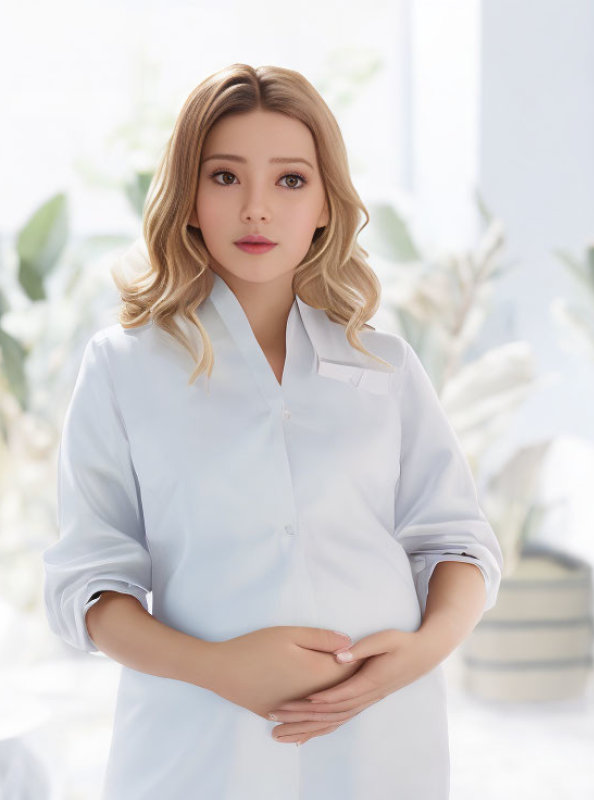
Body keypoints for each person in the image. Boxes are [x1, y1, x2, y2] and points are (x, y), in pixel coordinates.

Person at [43, 64, 501, 799]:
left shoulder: (383, 363)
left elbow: (459, 542)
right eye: (225, 177)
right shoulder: (122, 366)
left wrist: (421, 652)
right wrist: (220, 668)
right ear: (188, 197)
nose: (257, 209)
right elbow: (88, 587)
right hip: (199, 749)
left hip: (382, 743)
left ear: (326, 203)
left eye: (290, 180)